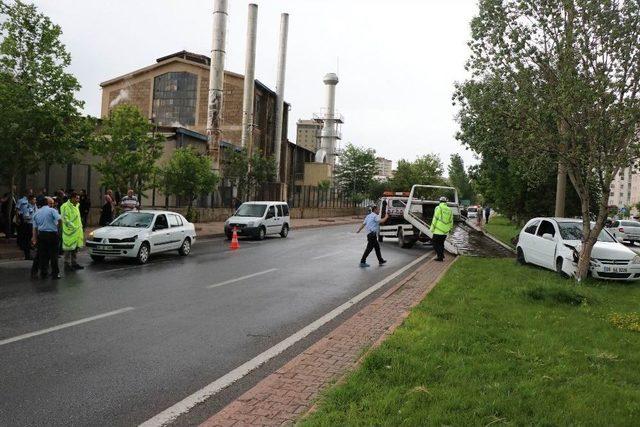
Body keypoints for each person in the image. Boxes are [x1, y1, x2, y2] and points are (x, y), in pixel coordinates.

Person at [31, 197, 62, 279]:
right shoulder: (52, 210)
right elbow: (60, 219)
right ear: (47, 203)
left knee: (42, 254)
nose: (52, 204)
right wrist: (58, 230)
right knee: (54, 255)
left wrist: (34, 239)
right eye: (50, 203)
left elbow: (34, 228)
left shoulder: (36, 213)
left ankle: (43, 272)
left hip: (41, 235)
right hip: (52, 235)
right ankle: (55, 273)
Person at [60, 192, 84, 271]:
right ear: (72, 198)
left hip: (77, 231)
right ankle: (67, 264)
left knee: (75, 248)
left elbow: (77, 218)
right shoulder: (65, 206)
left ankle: (74, 263)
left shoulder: (77, 206)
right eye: (77, 198)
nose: (78, 200)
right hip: (69, 232)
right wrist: (73, 227)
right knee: (68, 248)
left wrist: (79, 227)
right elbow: (65, 219)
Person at [430, 196, 453, 262]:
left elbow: (435, 218)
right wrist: (450, 228)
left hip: (438, 230)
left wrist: (432, 228)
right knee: (441, 244)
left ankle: (440, 256)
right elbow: (451, 221)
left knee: (434, 243)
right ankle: (441, 256)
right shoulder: (450, 210)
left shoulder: (438, 208)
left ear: (440, 201)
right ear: (446, 202)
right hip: (445, 231)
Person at [18, 194, 37, 260]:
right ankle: (27, 255)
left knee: (31, 240)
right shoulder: (27, 207)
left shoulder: (34, 206)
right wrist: (33, 217)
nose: (35, 201)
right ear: (30, 200)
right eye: (34, 200)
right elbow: (25, 217)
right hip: (28, 225)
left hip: (33, 225)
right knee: (27, 240)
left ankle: (31, 255)